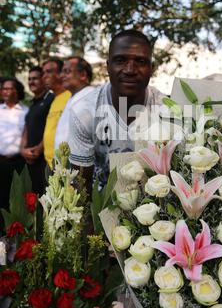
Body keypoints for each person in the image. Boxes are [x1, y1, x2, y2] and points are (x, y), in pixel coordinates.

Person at [69, 29, 164, 194]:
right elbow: (80, 187)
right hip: (100, 206)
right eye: (120, 60)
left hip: (154, 210)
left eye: (140, 61)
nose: (129, 70)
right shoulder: (84, 112)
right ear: (108, 66)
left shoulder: (167, 110)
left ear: (152, 68)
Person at [20, 66, 54, 195]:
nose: (31, 82)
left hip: (44, 162)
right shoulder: (32, 103)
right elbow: (26, 129)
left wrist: (37, 150)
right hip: (29, 161)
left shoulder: (52, 99)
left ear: (44, 79)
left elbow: (53, 128)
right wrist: (23, 149)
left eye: (35, 78)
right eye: (29, 79)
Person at [0, 78, 28, 228]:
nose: (5, 91)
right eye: (4, 88)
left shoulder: (25, 112)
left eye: (9, 88)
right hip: (0, 162)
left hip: (18, 163)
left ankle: (16, 236)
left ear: (17, 91)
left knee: (18, 201)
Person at [54, 57, 94, 150]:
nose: (61, 76)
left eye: (67, 71)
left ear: (83, 75)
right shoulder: (73, 98)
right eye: (62, 72)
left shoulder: (91, 98)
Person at [42, 59, 71, 168]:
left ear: (61, 73)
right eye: (43, 73)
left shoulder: (71, 97)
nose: (44, 76)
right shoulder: (55, 99)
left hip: (65, 167)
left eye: (48, 72)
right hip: (50, 166)